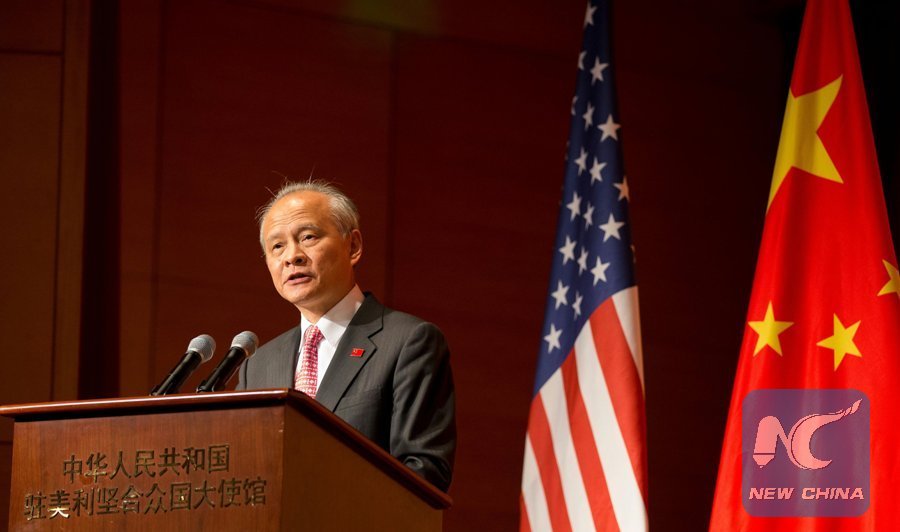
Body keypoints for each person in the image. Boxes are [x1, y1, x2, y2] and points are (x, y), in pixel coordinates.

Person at [236, 180, 456, 491]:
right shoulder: (257, 365)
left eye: (308, 237)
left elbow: (423, 472)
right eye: (277, 246)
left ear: (352, 246)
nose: (292, 256)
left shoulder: (408, 342)